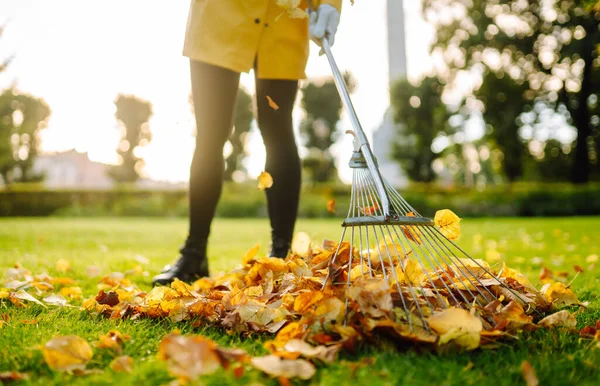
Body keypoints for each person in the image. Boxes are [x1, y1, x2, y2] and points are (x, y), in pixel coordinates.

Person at [153, 0, 342, 285]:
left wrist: (329, 3)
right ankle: (194, 254)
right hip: (219, 15)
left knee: (278, 130)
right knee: (210, 132)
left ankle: (280, 256)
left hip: (284, 16)